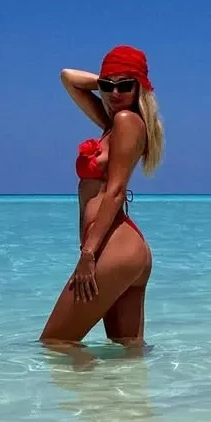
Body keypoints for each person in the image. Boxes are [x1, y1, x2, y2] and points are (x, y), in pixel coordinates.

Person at [40, 45, 164, 346]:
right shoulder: (113, 124)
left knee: (55, 345)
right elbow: (68, 78)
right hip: (123, 247)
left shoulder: (126, 122)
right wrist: (107, 81)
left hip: (111, 248)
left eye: (125, 85)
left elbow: (115, 191)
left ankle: (84, 382)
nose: (114, 93)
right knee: (127, 353)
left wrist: (88, 254)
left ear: (140, 87)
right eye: (108, 86)